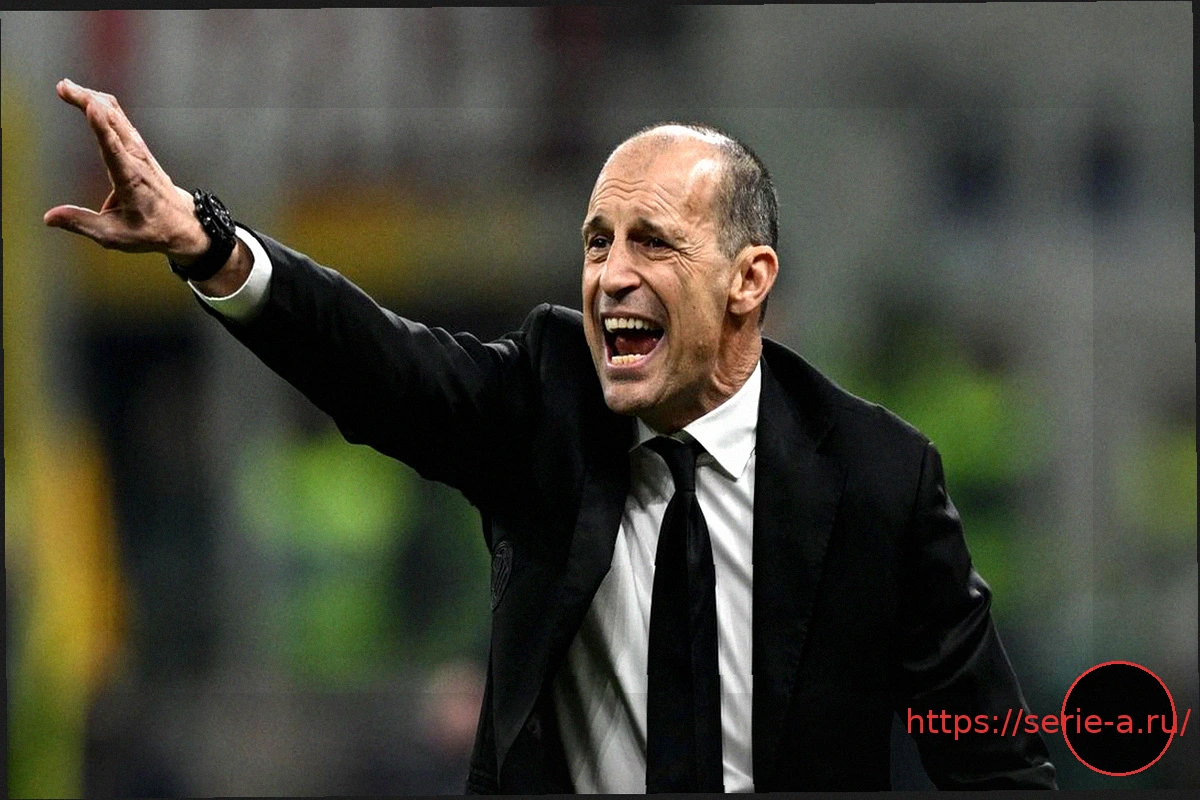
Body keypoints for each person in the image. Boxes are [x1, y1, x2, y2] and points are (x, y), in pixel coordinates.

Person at [46, 78, 1056, 792]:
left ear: (748, 280)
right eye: (597, 242)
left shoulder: (878, 475)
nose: (611, 275)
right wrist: (211, 244)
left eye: (653, 242)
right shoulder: (549, 398)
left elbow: (997, 758)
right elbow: (380, 365)